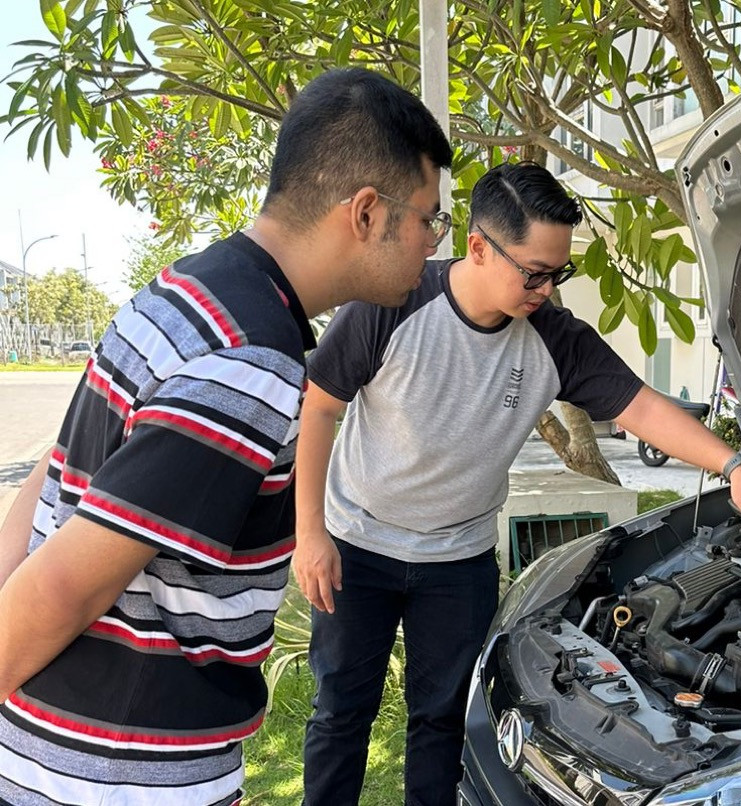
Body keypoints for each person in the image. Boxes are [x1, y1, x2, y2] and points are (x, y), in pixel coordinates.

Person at [0, 67, 454, 805]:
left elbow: (53, 478)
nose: (434, 244)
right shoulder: (251, 361)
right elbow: (65, 584)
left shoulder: (184, 286)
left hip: (55, 744)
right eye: (429, 218)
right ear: (367, 212)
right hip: (118, 774)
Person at [293, 161, 741, 806]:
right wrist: (310, 535)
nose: (547, 290)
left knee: (441, 721)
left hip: (458, 562)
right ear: (477, 246)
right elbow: (319, 405)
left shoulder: (556, 339)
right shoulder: (392, 303)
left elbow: (642, 407)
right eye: (535, 273)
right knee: (341, 716)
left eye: (558, 273)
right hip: (358, 545)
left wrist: (732, 465)